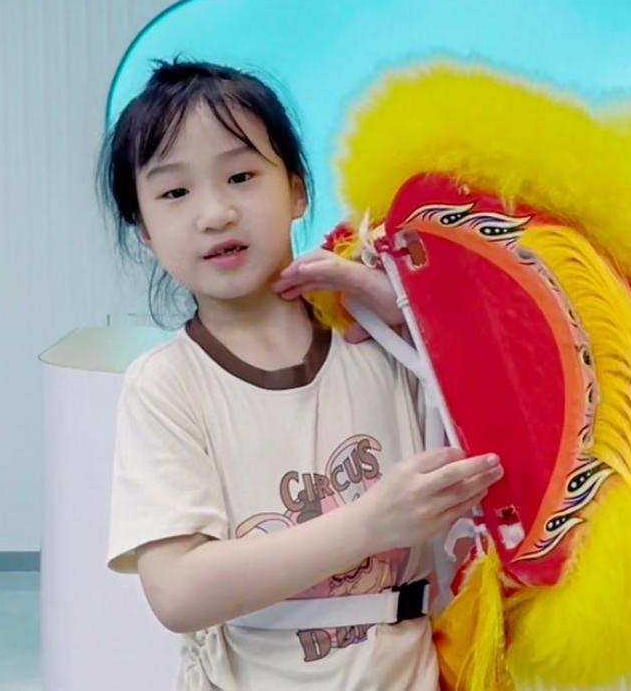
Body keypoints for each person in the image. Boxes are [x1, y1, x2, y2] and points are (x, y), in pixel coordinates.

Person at [96, 59, 502, 690]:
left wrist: (408, 314)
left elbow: (530, 405)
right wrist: (371, 525)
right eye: (175, 193)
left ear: (297, 191)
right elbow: (178, 591)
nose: (215, 214)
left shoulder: (377, 337)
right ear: (144, 230)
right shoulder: (167, 384)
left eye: (240, 176)